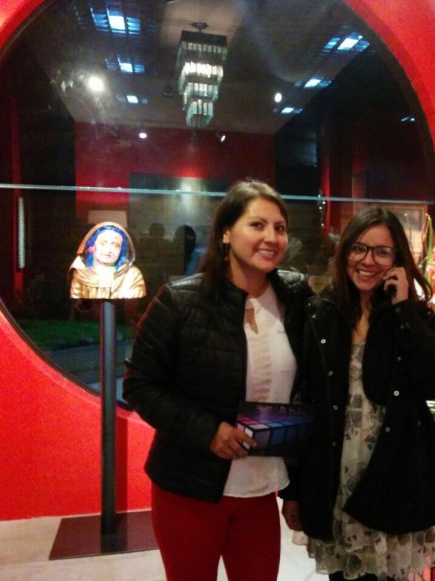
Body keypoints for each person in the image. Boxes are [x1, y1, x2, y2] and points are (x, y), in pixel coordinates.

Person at [122, 179, 311, 581]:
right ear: (226, 232)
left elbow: (305, 389)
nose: (271, 237)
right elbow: (139, 385)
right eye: (257, 225)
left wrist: (296, 486)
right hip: (189, 487)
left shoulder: (295, 297)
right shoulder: (180, 301)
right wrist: (208, 431)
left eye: (279, 227)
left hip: (262, 488)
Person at [281, 207, 435, 581]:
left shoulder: (412, 316)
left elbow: (432, 384)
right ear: (345, 250)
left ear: (398, 260)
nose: (368, 261)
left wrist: (404, 310)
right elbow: (305, 404)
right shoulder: (320, 312)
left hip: (391, 469)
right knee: (343, 575)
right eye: (359, 248)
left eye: (382, 252)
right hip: (334, 472)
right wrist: (293, 489)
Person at [69, 221, 146, 300]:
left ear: (122, 249)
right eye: (103, 243)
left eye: (116, 245)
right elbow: (78, 303)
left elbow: (132, 304)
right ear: (92, 246)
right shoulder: (81, 274)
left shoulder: (132, 275)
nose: (109, 250)